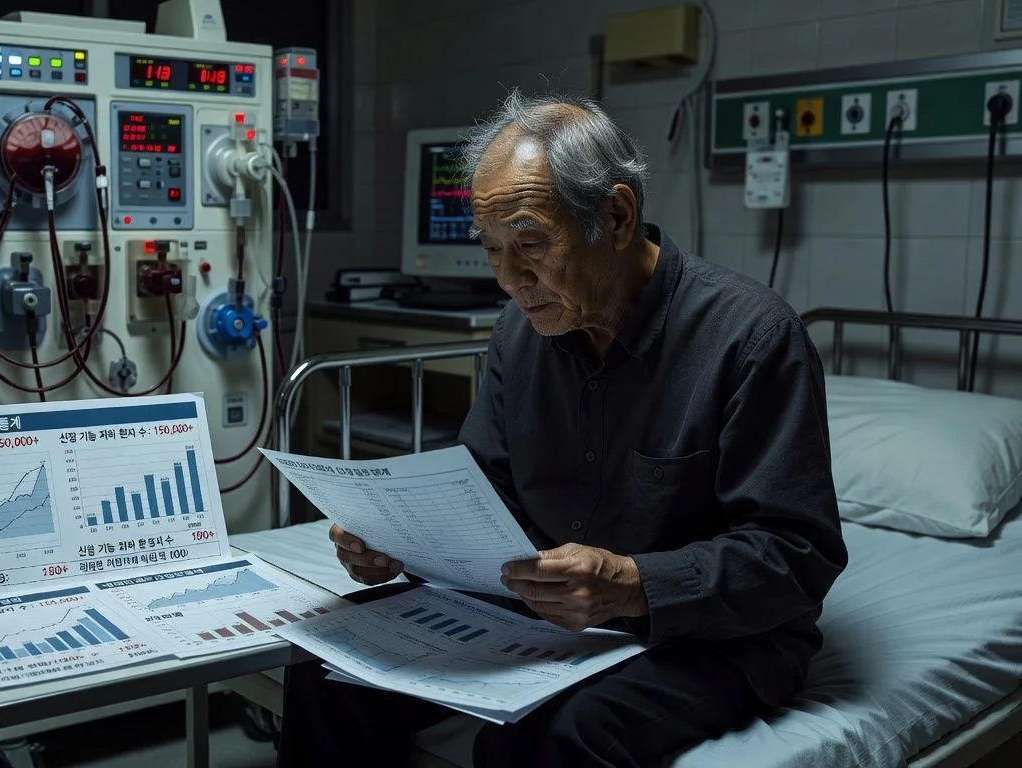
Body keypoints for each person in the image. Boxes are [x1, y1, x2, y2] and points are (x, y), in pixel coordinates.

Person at [276, 90, 848, 768]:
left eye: (530, 244)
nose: (510, 279)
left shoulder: (750, 338)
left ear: (616, 217)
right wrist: (395, 539)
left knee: (546, 741)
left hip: (710, 636)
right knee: (328, 674)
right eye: (492, 249)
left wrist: (633, 582)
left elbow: (797, 554)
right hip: (544, 609)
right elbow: (484, 488)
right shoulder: (520, 336)